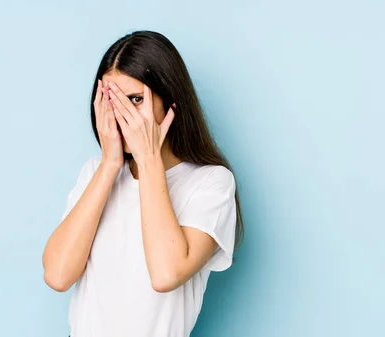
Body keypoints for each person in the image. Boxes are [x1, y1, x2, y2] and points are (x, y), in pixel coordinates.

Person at [41, 30, 244, 337]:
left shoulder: (211, 182)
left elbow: (165, 274)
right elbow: (57, 275)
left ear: (171, 103)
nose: (122, 115)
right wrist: (110, 165)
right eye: (112, 100)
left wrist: (149, 160)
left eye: (135, 100)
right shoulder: (94, 172)